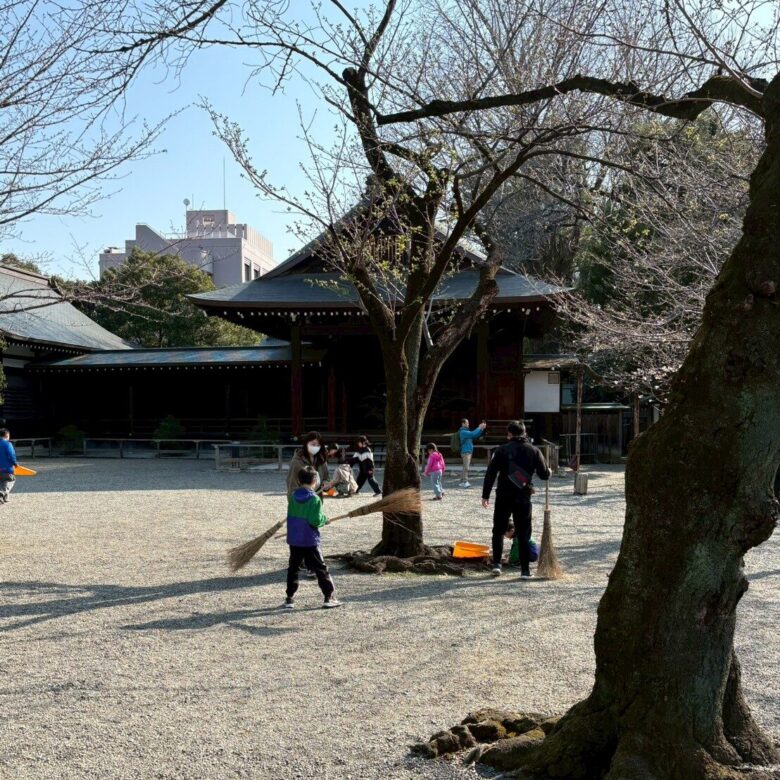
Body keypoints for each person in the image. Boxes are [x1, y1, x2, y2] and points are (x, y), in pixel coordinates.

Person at [481, 420, 550, 578]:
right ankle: (525, 571)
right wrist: (549, 471)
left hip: (503, 495)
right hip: (523, 496)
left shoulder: (501, 450)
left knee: (498, 530)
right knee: (523, 532)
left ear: (509, 434)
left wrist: (485, 495)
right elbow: (544, 474)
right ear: (525, 433)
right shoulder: (534, 450)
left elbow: (491, 473)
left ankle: (497, 564)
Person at [284, 466, 342, 610]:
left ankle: (289, 598)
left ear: (298, 480)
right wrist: (324, 520)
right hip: (310, 540)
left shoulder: (292, 496)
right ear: (315, 481)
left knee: (294, 568)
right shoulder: (315, 499)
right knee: (320, 568)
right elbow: (314, 520)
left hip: (295, 539)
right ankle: (329, 596)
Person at [286, 431, 331, 497]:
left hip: (316, 500)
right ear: (306, 443)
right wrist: (294, 503)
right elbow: (291, 485)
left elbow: (326, 477)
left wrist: (326, 484)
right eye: (313, 444)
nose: (316, 447)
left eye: (318, 445)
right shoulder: (297, 462)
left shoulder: (321, 460)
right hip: (301, 501)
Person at [458, 418, 487, 488]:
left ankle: (462, 482)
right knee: (466, 468)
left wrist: (481, 429)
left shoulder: (466, 431)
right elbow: (472, 433)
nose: (468, 424)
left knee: (465, 467)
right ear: (463, 424)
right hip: (466, 452)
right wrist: (479, 427)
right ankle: (465, 481)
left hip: (467, 451)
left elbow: (475, 435)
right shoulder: (463, 432)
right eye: (467, 423)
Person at [0, 428, 18, 504]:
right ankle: (2, 493)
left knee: (2, 482)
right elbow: (11, 455)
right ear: (7, 435)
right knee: (10, 480)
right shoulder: (8, 444)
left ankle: (4, 498)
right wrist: (15, 463)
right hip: (6, 468)